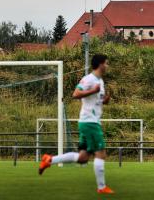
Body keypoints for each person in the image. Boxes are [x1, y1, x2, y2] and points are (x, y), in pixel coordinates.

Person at [39, 54, 114, 195]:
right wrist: (93, 90)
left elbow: (97, 99)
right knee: (101, 154)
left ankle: (49, 160)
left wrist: (105, 100)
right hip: (90, 122)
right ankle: (102, 187)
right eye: (106, 63)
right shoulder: (89, 79)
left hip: (89, 122)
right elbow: (75, 94)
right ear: (100, 64)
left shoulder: (100, 81)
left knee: (83, 158)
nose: (107, 66)